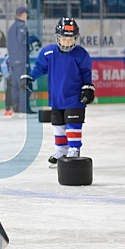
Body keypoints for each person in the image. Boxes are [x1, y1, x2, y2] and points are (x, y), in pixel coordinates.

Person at [20, 18, 94, 167]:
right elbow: (39, 68)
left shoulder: (81, 54)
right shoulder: (48, 52)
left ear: (75, 38)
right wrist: (29, 78)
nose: (67, 42)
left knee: (73, 124)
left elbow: (86, 73)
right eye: (64, 38)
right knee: (59, 125)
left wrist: (88, 87)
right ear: (58, 37)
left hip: (75, 98)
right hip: (56, 98)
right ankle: (61, 151)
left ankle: (74, 149)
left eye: (70, 39)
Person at [7, 6, 34, 114]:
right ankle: (24, 108)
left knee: (16, 84)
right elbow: (22, 40)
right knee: (24, 83)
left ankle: (16, 105)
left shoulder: (12, 27)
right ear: (23, 14)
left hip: (13, 60)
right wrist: (31, 41)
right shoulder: (21, 26)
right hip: (21, 59)